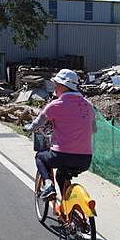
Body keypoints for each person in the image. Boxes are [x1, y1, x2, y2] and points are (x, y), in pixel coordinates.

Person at [25, 69, 95, 199]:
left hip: (61, 155)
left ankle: (47, 184)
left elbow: (37, 123)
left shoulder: (56, 105)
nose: (54, 88)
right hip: (85, 159)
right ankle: (67, 208)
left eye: (56, 85)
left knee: (40, 157)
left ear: (63, 86)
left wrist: (28, 128)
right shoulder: (88, 105)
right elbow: (93, 129)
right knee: (61, 175)